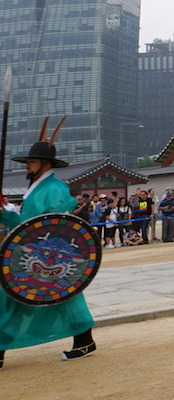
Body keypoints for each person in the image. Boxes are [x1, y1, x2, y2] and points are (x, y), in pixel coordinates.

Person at [0, 129, 98, 368]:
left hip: (48, 254)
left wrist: (5, 215)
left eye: (31, 162)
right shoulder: (39, 187)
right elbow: (28, 223)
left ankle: (2, 346)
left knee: (16, 295)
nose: (27, 166)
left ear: (45, 164)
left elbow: (48, 223)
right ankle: (84, 340)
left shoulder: (54, 188)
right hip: (34, 252)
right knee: (57, 295)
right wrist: (3, 213)